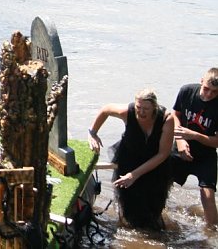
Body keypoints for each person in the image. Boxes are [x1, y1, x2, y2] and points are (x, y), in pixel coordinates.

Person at [87, 89, 174, 230]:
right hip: (129, 158)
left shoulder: (166, 120)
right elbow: (106, 110)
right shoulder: (128, 112)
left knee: (153, 208)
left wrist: (134, 175)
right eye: (138, 107)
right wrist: (92, 133)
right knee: (130, 207)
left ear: (154, 108)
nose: (141, 112)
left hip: (156, 164)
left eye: (146, 109)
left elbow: (163, 154)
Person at [171, 68, 218, 226]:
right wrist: (180, 140)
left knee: (208, 194)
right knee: (160, 180)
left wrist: (195, 136)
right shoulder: (186, 91)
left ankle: (212, 232)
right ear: (201, 81)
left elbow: (217, 142)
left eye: (214, 91)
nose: (209, 94)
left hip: (206, 154)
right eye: (206, 89)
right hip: (181, 146)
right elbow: (175, 115)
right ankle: (154, 215)